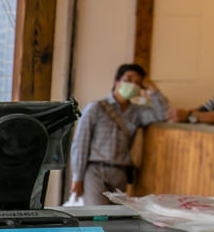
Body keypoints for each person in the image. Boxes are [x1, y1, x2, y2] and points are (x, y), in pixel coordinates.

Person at [69, 63, 170, 206]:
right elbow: (81, 143)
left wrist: (153, 89)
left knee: (115, 220)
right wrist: (77, 178)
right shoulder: (96, 108)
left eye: (137, 82)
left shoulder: (137, 113)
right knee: (98, 216)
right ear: (116, 81)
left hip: (120, 173)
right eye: (128, 79)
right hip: (95, 171)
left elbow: (163, 113)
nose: (132, 85)